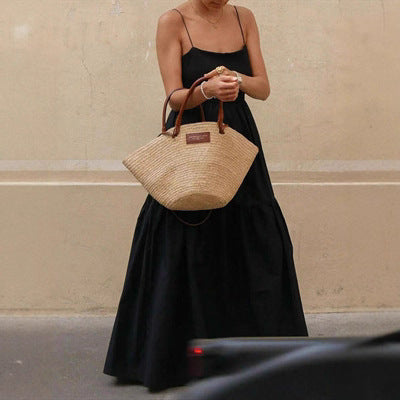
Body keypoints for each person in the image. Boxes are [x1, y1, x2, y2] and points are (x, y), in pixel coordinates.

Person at [103, 0, 309, 393]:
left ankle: (253, 353)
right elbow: (174, 96)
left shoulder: (244, 18)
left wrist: (236, 80)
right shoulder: (172, 22)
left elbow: (263, 88)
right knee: (186, 232)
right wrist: (205, 90)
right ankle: (176, 355)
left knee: (253, 237)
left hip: (237, 136)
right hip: (193, 136)